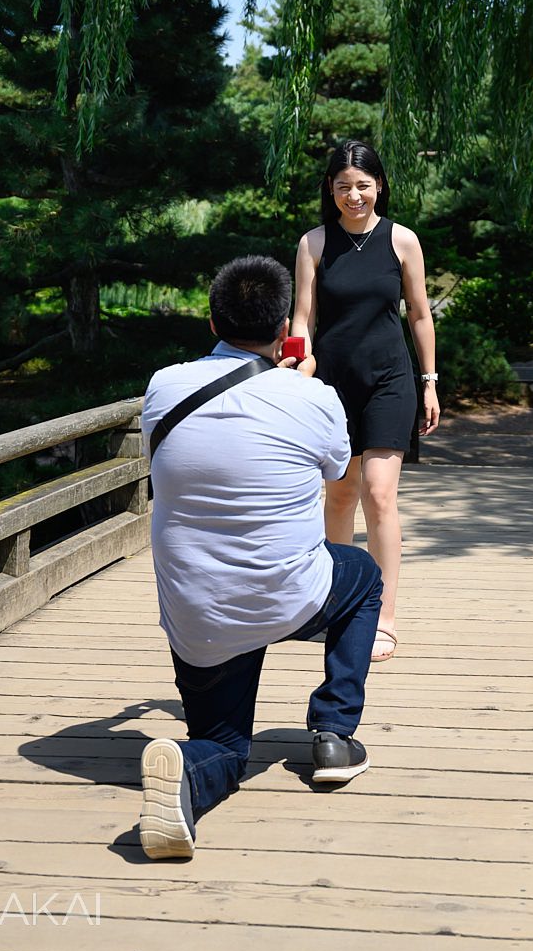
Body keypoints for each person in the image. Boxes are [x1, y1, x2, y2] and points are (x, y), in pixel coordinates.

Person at [138, 255, 382, 859]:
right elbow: (336, 471)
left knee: (224, 745)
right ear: (284, 331)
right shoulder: (314, 396)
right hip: (290, 596)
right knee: (365, 577)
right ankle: (333, 734)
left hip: (197, 611)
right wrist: (299, 382)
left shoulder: (163, 386)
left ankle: (192, 771)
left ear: (211, 322)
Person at [292, 140, 440, 663]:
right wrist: (295, 373)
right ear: (329, 191)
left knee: (378, 495)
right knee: (338, 496)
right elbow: (302, 321)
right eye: (342, 187)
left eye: (362, 185)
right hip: (330, 384)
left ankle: (384, 614)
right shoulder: (313, 243)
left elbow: (420, 315)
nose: (353, 195)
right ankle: (337, 601)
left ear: (379, 186)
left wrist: (430, 380)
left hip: (389, 380)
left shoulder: (402, 241)